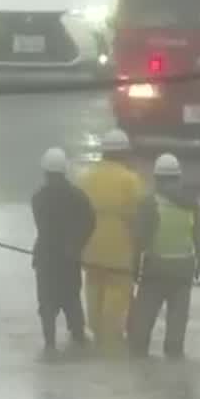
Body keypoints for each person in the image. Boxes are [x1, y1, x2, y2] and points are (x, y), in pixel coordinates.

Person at [128, 153, 200, 358]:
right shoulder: (191, 204)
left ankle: (141, 380)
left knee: (140, 336)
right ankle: (175, 382)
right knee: (175, 340)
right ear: (178, 178)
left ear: (156, 179)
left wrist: (134, 268)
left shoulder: (149, 203)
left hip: (154, 272)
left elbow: (139, 240)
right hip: (183, 272)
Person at [77, 129, 146, 352]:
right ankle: (110, 350)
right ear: (124, 153)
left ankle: (96, 340)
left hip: (90, 251)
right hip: (120, 254)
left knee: (94, 292)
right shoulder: (131, 181)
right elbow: (141, 218)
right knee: (116, 302)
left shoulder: (85, 177)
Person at [31, 147, 96, 353]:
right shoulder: (79, 197)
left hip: (46, 260)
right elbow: (90, 223)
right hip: (70, 260)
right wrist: (77, 246)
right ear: (65, 170)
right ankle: (79, 342)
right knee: (72, 302)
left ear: (45, 172)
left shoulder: (38, 198)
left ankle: (49, 346)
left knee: (47, 306)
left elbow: (44, 227)